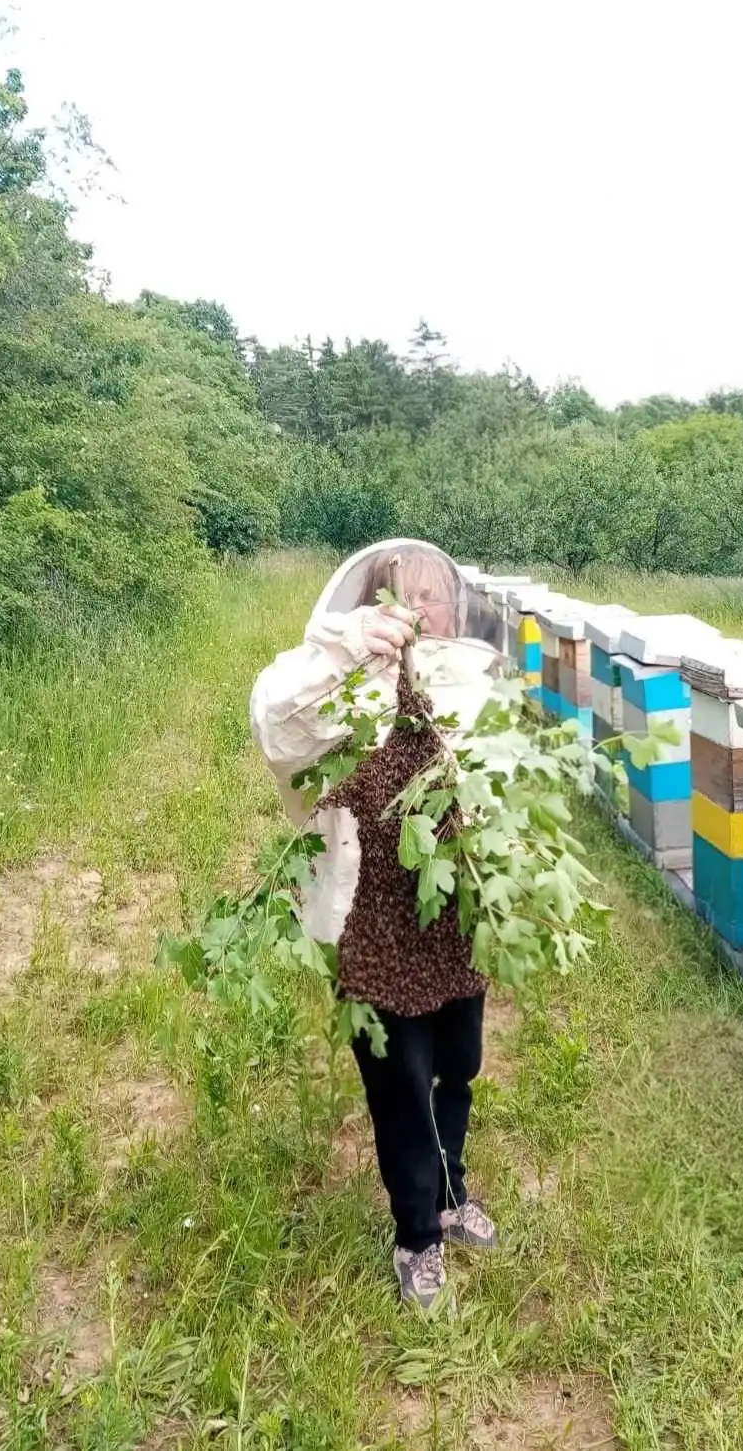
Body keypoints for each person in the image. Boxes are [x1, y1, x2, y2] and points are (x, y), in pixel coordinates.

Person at [249, 539, 506, 1309]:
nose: (423, 608)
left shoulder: (468, 684)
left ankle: (453, 1190)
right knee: (399, 1085)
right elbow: (274, 720)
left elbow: (504, 787)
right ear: (371, 601)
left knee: (457, 1064)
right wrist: (348, 651)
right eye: (405, 594)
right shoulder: (338, 695)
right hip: (374, 922)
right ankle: (417, 1234)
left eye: (435, 596)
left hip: (456, 921)